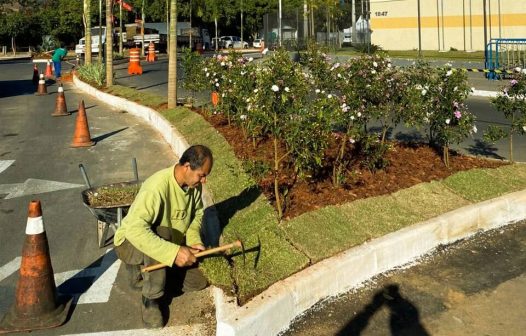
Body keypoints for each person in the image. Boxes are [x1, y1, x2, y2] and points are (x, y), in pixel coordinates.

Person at [114, 145, 213, 329]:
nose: (204, 180)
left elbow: (197, 214)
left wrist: (193, 241)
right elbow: (135, 230)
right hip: (130, 243)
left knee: (198, 281)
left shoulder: (194, 187)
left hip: (169, 242)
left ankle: (158, 276)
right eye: (202, 175)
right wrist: (174, 252)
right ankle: (150, 298)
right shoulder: (157, 187)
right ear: (186, 166)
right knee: (162, 231)